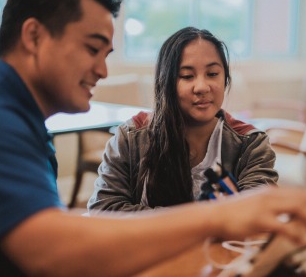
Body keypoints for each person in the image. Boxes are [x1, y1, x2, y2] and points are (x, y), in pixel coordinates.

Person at [0, 0, 306, 276]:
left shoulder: (17, 122)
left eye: (213, 73)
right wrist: (219, 215)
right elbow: (50, 252)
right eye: (92, 48)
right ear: (33, 36)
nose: (102, 69)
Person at [88, 27, 278, 212]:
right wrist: (200, 222)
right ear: (166, 83)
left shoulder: (251, 144)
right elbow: (105, 208)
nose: (202, 87)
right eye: (187, 76)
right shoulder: (131, 137)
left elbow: (258, 211)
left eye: (212, 74)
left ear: (225, 79)